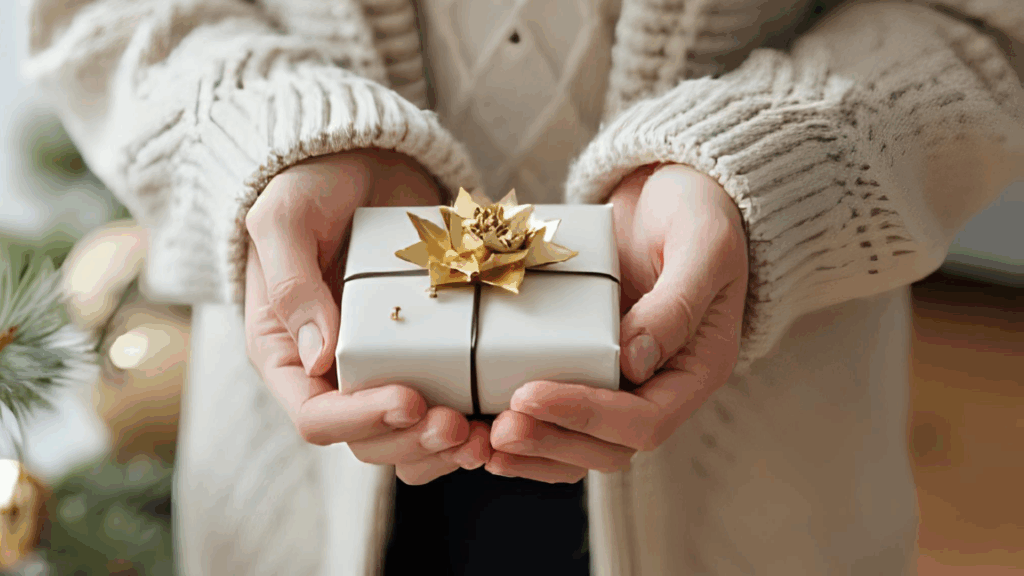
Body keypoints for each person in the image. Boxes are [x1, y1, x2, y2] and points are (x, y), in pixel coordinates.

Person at [23, 0, 1023, 573]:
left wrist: (771, 166)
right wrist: (268, 135)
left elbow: (987, 30)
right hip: (294, 492)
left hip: (765, 480)